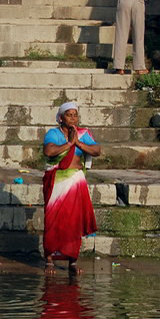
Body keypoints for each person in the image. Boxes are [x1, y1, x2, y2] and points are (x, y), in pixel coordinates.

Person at [42, 102, 102, 275]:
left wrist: (79, 144)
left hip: (76, 181)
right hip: (57, 182)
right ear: (61, 118)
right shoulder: (53, 133)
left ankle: (73, 261)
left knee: (74, 222)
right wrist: (69, 144)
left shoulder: (83, 134)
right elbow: (49, 151)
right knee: (53, 220)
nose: (73, 118)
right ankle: (49, 259)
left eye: (75, 115)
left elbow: (97, 150)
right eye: (69, 115)